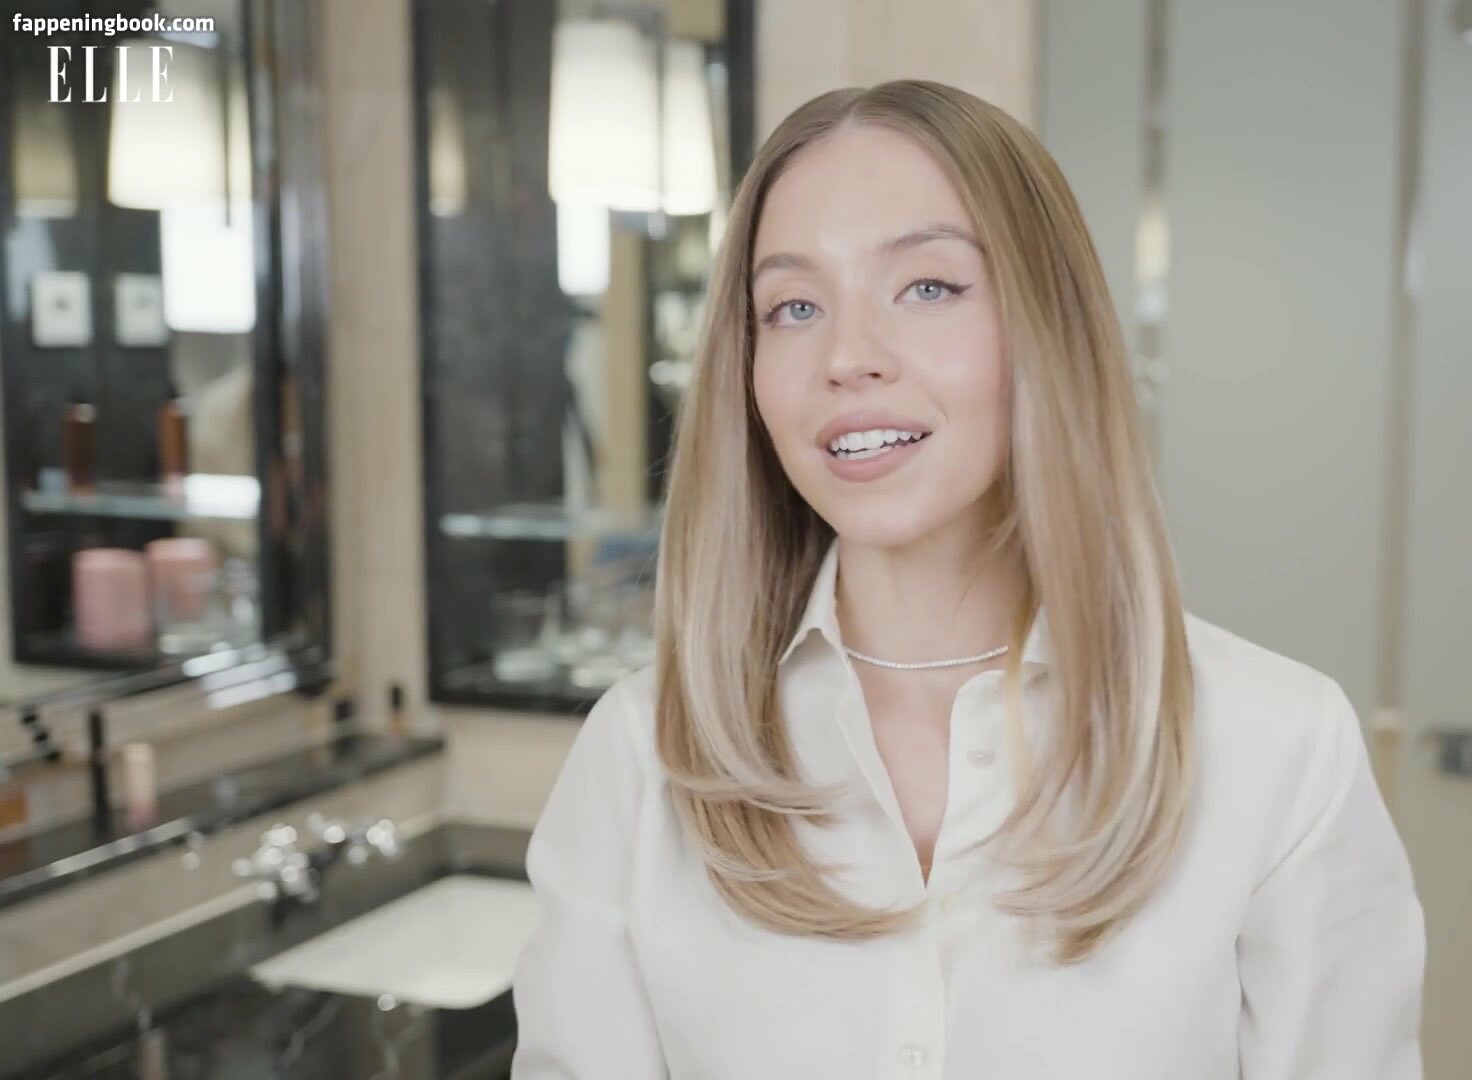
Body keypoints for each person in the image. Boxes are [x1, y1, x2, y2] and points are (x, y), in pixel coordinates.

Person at [510, 79, 1425, 1079]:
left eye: (928, 287)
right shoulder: (641, 759)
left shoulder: (1277, 748)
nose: (848, 358)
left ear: (1047, 326)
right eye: (795, 307)